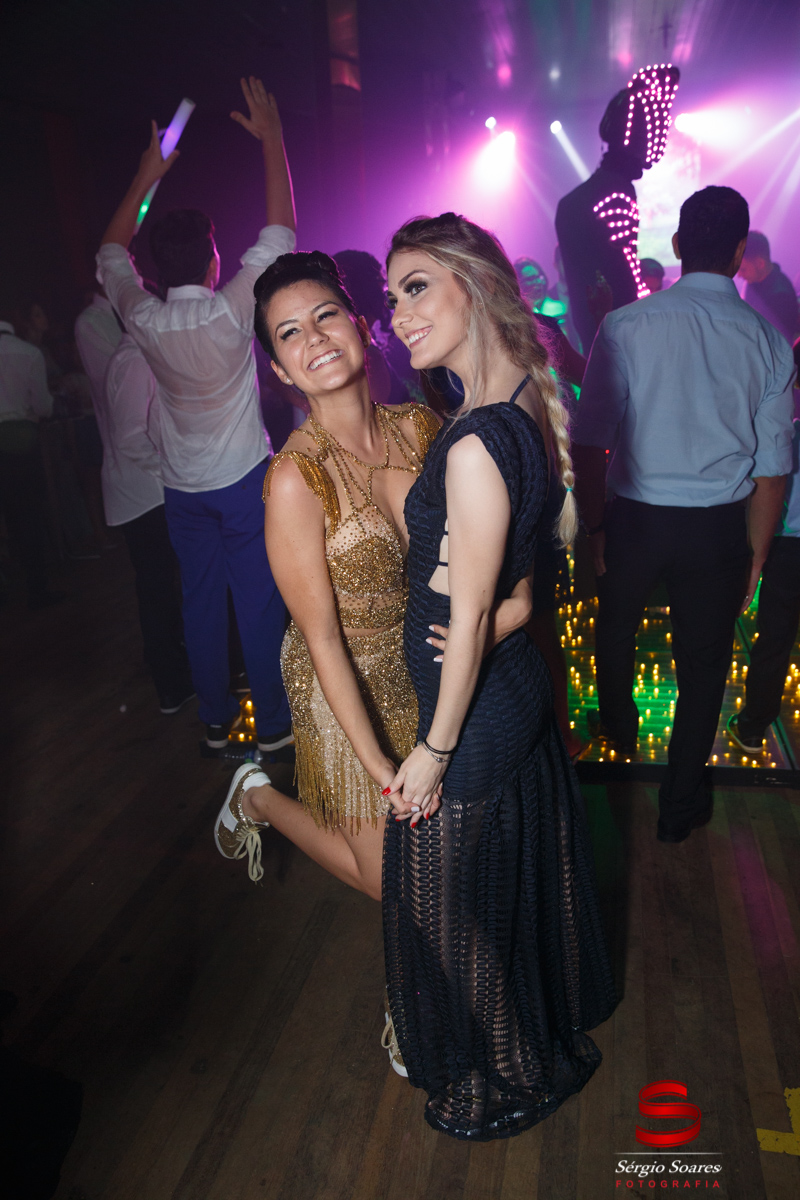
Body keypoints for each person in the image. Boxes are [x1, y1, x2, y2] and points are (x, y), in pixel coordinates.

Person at [212, 251, 532, 1073]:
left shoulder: (424, 428)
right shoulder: (295, 478)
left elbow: (483, 551)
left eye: (326, 315)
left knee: (436, 866)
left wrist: (504, 615)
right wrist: (380, 766)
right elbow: (320, 640)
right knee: (400, 883)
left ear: (360, 324)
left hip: (426, 672)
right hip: (340, 685)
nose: (314, 338)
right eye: (289, 333)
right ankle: (258, 798)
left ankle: (257, 798)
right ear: (278, 368)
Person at [381, 212, 616, 1140]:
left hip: (470, 717)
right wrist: (509, 613)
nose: (397, 314)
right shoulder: (520, 396)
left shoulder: (478, 438)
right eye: (391, 296)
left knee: (437, 902)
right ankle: (530, 1043)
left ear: (473, 283)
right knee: (493, 887)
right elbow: (513, 581)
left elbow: (473, 610)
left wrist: (433, 753)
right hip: (506, 691)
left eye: (416, 287)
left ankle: (520, 1067)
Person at [572, 186, 795, 843]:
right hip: (717, 527)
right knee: (703, 666)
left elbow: (589, 442)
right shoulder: (769, 341)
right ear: (739, 251)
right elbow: (773, 470)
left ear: (675, 245)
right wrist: (756, 555)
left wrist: (594, 528)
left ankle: (619, 730)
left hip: (635, 519)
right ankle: (680, 805)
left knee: (615, 631)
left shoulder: (626, 326)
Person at [97, 77, 295, 755]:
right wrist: (273, 139)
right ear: (213, 258)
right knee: (258, 601)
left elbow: (109, 254)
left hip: (181, 489)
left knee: (200, 603)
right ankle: (274, 726)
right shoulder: (231, 308)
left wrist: (145, 178)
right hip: (242, 480)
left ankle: (214, 720)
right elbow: (281, 232)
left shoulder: (143, 317)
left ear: (157, 266)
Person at [556, 64, 680, 352]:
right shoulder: (617, 191)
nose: (661, 138)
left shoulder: (575, 200)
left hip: (599, 334)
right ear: (636, 136)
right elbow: (624, 272)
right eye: (657, 128)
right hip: (618, 338)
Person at [102, 331, 193, 712]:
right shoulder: (135, 358)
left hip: (146, 492)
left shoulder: (137, 354)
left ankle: (174, 676)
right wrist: (171, 472)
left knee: (161, 588)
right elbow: (129, 437)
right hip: (145, 495)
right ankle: (171, 683)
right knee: (158, 589)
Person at [729, 340, 800, 752]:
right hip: (788, 545)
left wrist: (755, 553)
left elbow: (769, 487)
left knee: (774, 637)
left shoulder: (786, 431)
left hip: (788, 547)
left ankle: (754, 726)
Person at [0, 309, 63, 608]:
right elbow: (43, 406)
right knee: (28, 516)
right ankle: (36, 587)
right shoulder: (28, 352)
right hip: (21, 443)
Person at [333, 249, 418, 404]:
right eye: (381, 282)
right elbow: (373, 414)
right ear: (367, 289)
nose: (386, 291)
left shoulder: (358, 348)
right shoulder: (367, 355)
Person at [738, 231, 798, 344]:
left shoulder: (781, 297)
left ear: (760, 264)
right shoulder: (753, 280)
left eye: (743, 269)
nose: (739, 275)